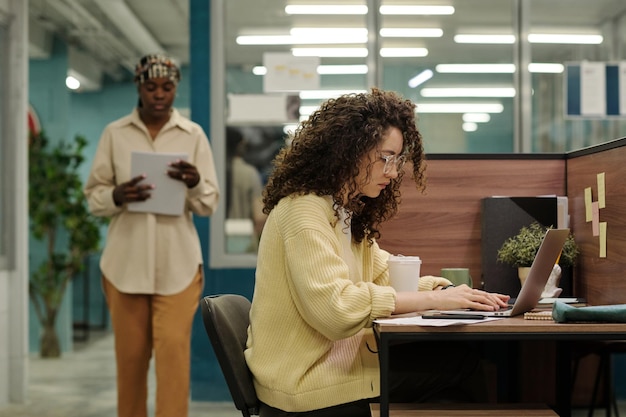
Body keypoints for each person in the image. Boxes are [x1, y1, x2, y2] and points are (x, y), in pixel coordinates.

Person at [244, 88, 510, 417]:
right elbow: (336, 310)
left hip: (336, 366)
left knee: (462, 360)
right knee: (462, 365)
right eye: (386, 157)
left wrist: (448, 291)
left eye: (397, 160)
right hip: (307, 384)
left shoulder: (343, 212)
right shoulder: (303, 211)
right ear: (348, 151)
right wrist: (435, 301)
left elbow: (387, 277)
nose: (394, 172)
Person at [83, 54, 219, 417]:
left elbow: (209, 203)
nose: (159, 94)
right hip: (124, 265)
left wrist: (194, 183)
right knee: (129, 364)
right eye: (151, 86)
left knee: (173, 361)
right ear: (139, 87)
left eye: (167, 87)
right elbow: (94, 196)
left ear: (175, 88)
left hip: (178, 266)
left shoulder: (193, 135)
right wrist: (116, 195)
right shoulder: (115, 133)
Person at [226, 126, 267, 251]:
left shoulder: (211, 172)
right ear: (239, 146)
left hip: (212, 242)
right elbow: (259, 217)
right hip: (244, 245)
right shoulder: (249, 173)